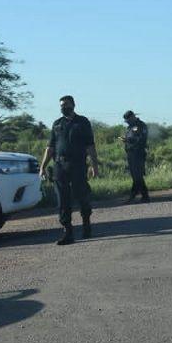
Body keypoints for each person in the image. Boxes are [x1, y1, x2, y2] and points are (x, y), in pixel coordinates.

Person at [40, 95, 100, 245]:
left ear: (73, 105)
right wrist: (43, 167)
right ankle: (68, 232)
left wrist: (94, 166)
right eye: (61, 105)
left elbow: (90, 146)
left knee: (82, 195)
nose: (63, 107)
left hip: (78, 165)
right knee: (62, 199)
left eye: (66, 104)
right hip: (60, 165)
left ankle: (86, 225)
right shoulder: (56, 124)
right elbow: (50, 147)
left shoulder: (82, 122)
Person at [121, 110, 150, 203]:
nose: (127, 122)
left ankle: (138, 195)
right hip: (131, 153)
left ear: (133, 117)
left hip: (138, 153)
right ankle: (138, 194)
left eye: (128, 120)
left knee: (137, 175)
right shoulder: (130, 127)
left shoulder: (141, 125)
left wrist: (128, 140)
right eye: (126, 121)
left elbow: (140, 139)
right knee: (135, 175)